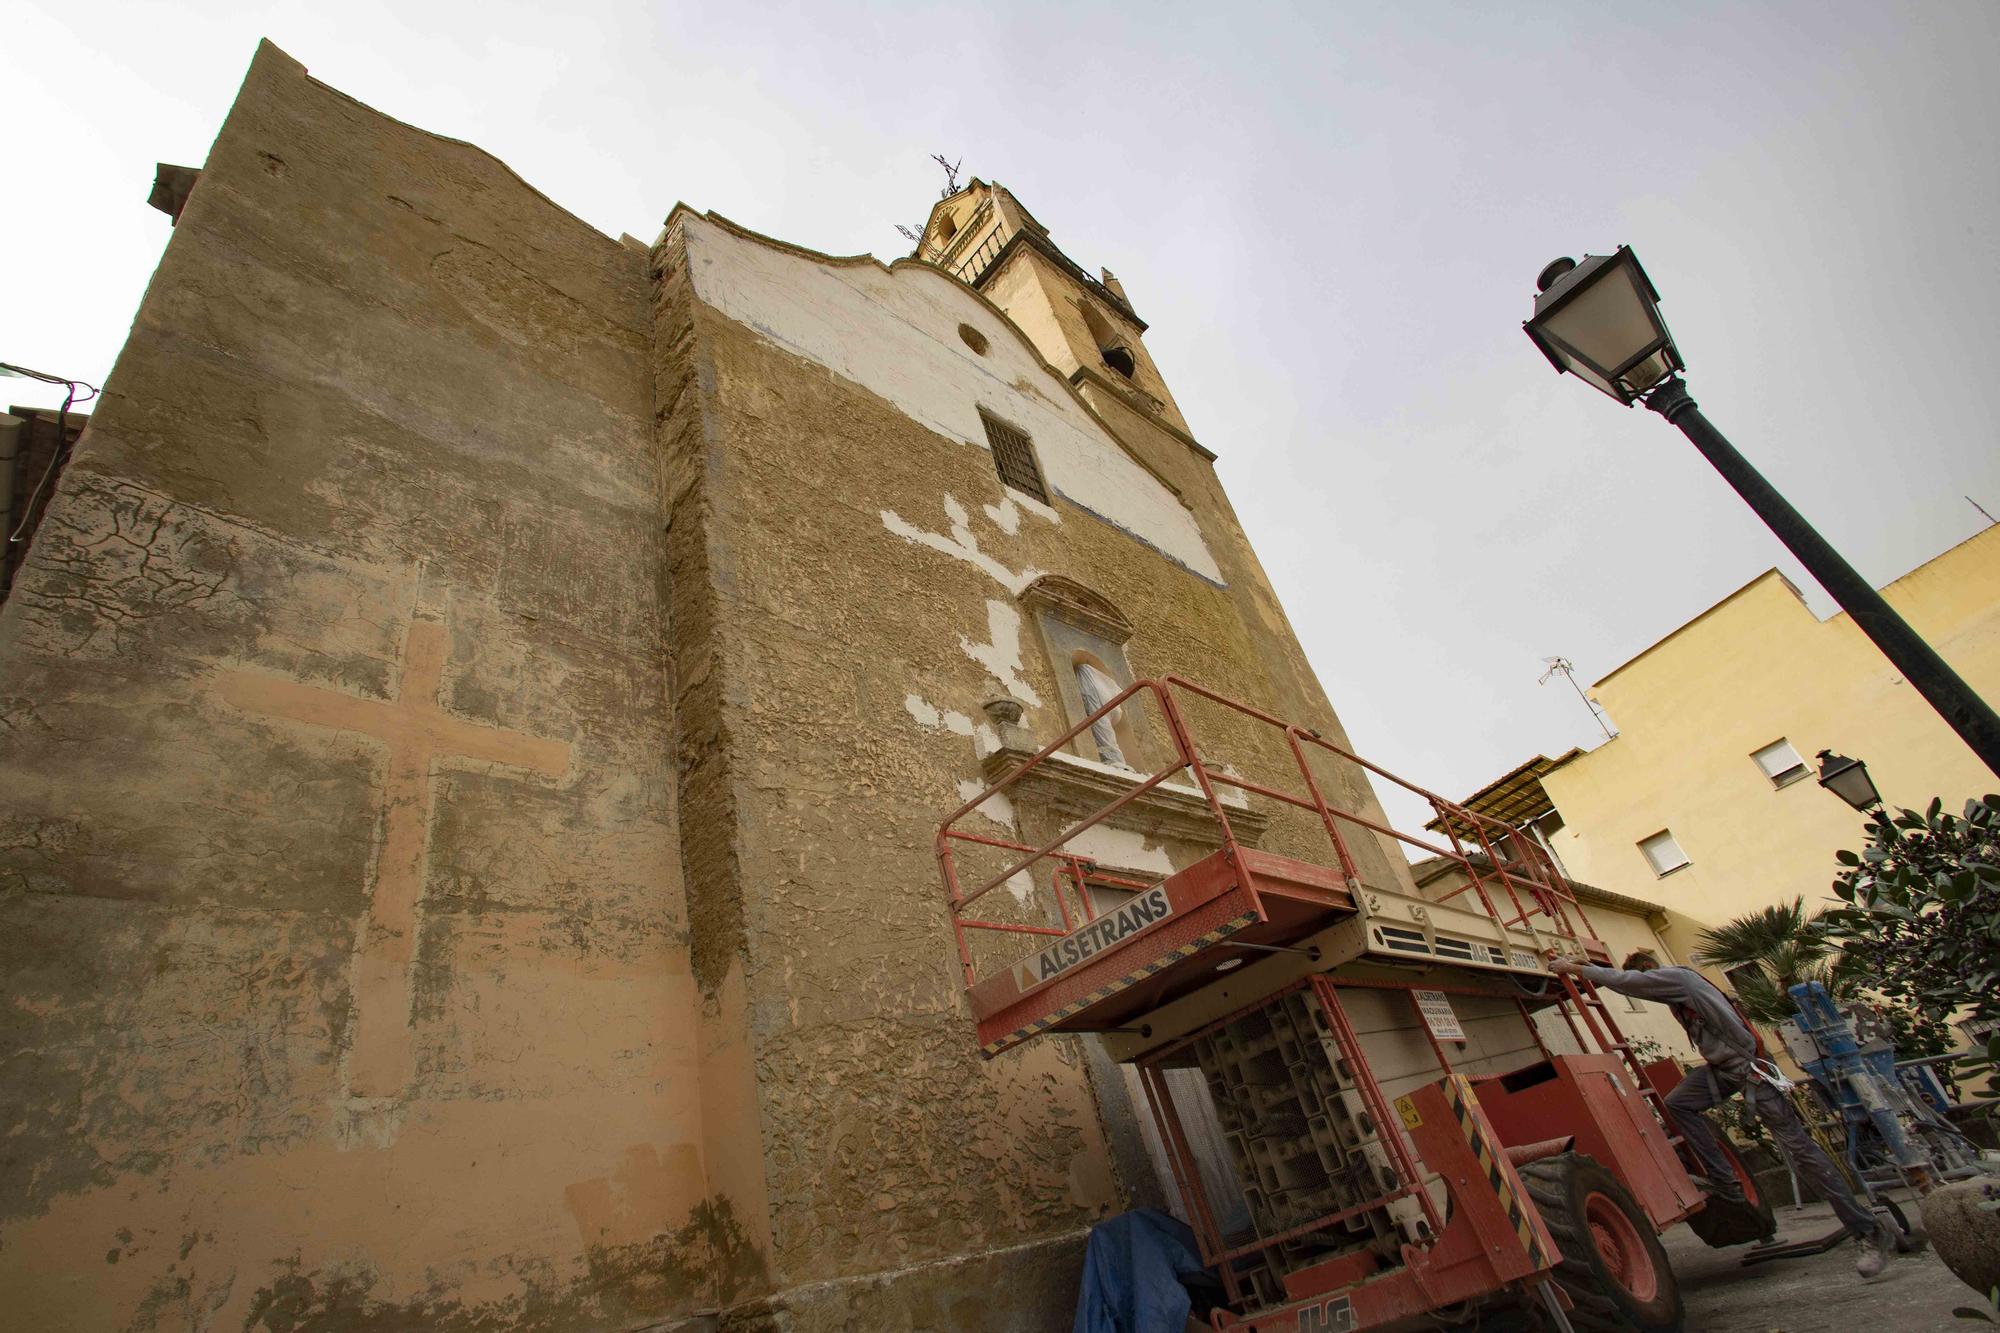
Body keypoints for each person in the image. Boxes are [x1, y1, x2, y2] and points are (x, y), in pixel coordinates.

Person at [1548, 949, 1900, 1279]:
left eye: (1648, 981)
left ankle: (1867, 1230)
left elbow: (1633, 983)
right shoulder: (1680, 996)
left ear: (1650, 972)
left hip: (1752, 1073)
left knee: (1802, 1152)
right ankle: (1725, 1181)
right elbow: (1639, 986)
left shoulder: (1680, 980)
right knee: (1679, 1103)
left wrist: (1577, 969)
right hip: (1724, 1070)